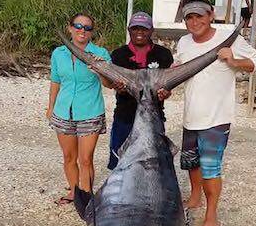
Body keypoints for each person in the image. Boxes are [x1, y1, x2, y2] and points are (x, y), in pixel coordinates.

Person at [171, 0, 256, 226]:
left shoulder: (228, 39)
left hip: (216, 118)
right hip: (190, 116)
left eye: (199, 16)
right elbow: (179, 68)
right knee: (191, 162)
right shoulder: (183, 43)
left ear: (210, 15)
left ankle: (212, 215)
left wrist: (234, 61)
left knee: (211, 166)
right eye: (189, 18)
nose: (194, 22)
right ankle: (195, 197)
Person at [46, 12, 111, 205]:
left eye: (87, 28)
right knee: (68, 157)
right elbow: (55, 81)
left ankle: (87, 196)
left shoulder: (100, 54)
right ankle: (75, 193)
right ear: (70, 28)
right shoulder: (59, 53)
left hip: (90, 112)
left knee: (85, 159)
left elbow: (109, 84)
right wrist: (50, 108)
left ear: (92, 32)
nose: (82, 30)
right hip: (63, 111)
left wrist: (100, 71)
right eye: (78, 26)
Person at [108, 12, 173, 170]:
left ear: (151, 30)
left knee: (152, 163)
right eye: (135, 28)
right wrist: (118, 87)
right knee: (120, 159)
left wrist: (166, 92)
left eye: (144, 29)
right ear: (129, 30)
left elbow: (167, 85)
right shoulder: (118, 55)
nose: (139, 32)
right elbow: (112, 82)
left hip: (154, 118)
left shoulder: (163, 54)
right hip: (125, 116)